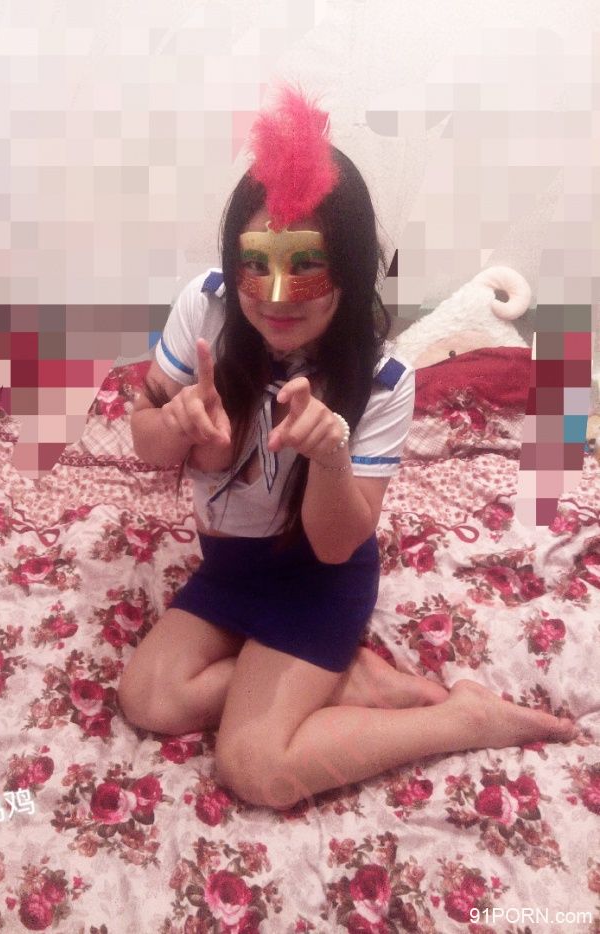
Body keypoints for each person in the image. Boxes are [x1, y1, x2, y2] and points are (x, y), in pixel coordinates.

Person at [118, 87, 577, 810]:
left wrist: (330, 457)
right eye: (256, 264)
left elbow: (336, 547)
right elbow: (144, 441)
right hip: (230, 569)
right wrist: (173, 425)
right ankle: (349, 680)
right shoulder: (205, 307)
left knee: (254, 766)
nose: (277, 296)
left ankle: (461, 720)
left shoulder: (383, 379)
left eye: (306, 266)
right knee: (147, 698)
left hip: (317, 580)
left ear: (353, 269)